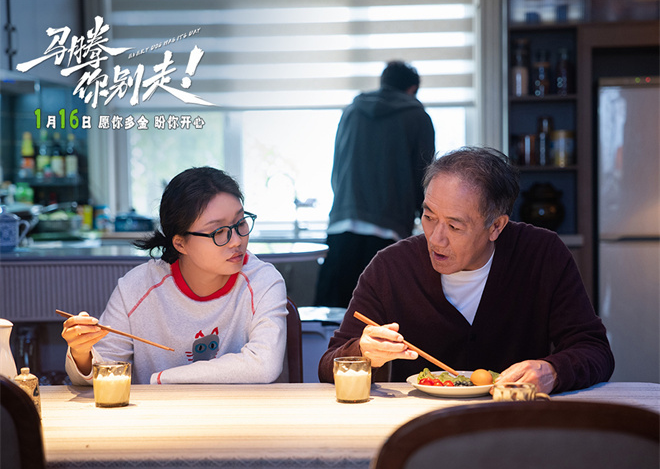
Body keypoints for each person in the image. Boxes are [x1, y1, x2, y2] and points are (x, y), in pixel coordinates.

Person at [318, 147, 614, 394]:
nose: (436, 239)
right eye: (429, 217)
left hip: (515, 420)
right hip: (417, 427)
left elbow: (595, 350)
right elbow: (327, 364)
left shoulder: (542, 254)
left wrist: (553, 371)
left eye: (454, 226)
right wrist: (362, 352)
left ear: (496, 227)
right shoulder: (391, 267)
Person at [62, 167, 287, 385]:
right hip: (156, 411)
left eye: (240, 223)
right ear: (180, 243)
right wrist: (81, 353)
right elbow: (101, 372)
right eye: (219, 232)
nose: (237, 241)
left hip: (240, 409)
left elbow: (264, 364)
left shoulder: (263, 281)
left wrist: (163, 378)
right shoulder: (136, 288)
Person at [314, 60, 436, 308]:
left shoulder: (352, 111)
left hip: (343, 224)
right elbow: (423, 176)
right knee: (380, 315)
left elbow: (338, 168)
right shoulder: (417, 116)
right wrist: (422, 214)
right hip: (388, 228)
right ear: (412, 89)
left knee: (333, 315)